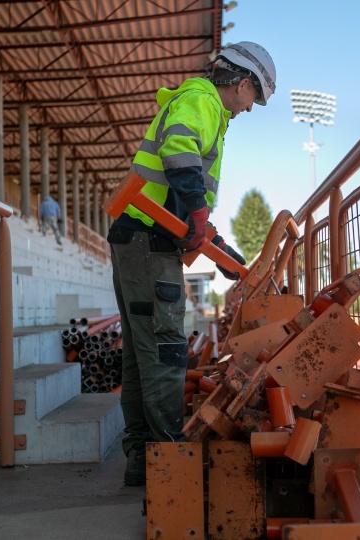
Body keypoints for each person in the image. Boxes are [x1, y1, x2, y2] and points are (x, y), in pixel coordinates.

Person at [106, 41, 276, 486]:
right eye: (253, 99)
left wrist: (208, 234)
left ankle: (144, 460)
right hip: (147, 240)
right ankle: (169, 466)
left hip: (138, 237)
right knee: (164, 351)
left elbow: (182, 189)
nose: (248, 109)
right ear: (242, 84)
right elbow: (180, 153)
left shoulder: (195, 100)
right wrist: (197, 214)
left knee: (142, 355)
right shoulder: (203, 100)